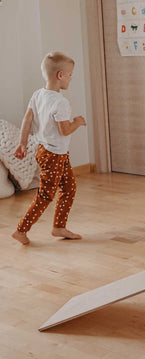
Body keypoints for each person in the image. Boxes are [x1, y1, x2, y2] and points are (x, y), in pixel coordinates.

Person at [11, 52, 86, 245]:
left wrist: (22, 143)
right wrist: (77, 122)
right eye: (70, 74)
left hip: (47, 151)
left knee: (69, 188)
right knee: (45, 195)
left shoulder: (38, 95)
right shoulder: (61, 102)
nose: (71, 78)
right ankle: (21, 230)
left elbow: (27, 119)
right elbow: (64, 130)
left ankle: (59, 226)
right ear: (60, 75)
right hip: (53, 155)